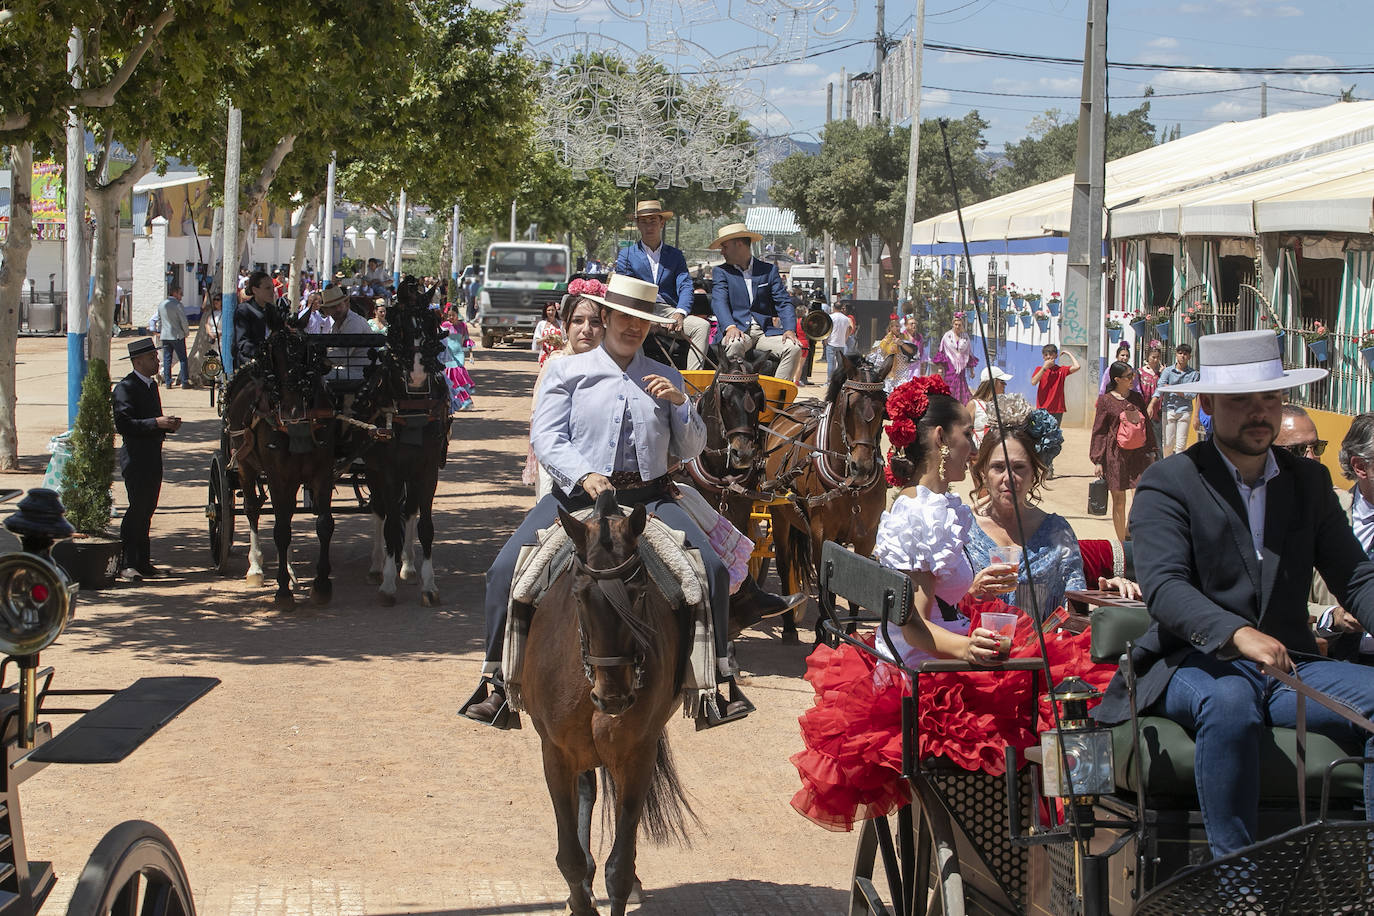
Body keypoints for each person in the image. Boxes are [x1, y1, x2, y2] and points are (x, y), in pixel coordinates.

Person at [465, 275, 794, 729]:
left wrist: (681, 405)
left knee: (713, 571)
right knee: (505, 571)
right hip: (579, 498)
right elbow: (547, 437)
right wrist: (583, 473)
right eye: (625, 318)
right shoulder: (567, 372)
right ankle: (496, 684)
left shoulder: (666, 377)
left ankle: (718, 683)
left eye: (642, 323)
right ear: (606, 318)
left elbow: (693, 448)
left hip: (650, 499)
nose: (633, 329)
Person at [1092, 329, 1374, 860]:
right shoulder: (1168, 482)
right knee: (1229, 702)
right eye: (1241, 400)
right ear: (1207, 405)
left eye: (1270, 397)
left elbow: (1356, 577)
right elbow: (1165, 588)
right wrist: (1237, 634)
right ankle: (1236, 885)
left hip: (1291, 667)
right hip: (1191, 663)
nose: (1259, 412)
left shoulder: (1308, 483)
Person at [789, 375, 1010, 830]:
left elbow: (924, 597)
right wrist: (971, 650)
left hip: (927, 648)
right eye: (968, 433)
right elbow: (914, 627)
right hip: (923, 666)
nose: (975, 444)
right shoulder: (923, 513)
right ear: (939, 438)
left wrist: (968, 590)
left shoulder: (935, 504)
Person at [966, 410, 1141, 620]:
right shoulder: (963, 529)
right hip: (974, 646)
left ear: (1035, 473)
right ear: (983, 472)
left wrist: (1108, 592)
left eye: (1019, 467)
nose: (1009, 478)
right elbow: (938, 611)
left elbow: (1074, 604)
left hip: (1042, 650)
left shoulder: (1056, 532)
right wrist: (971, 593)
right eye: (998, 467)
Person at [113, 339, 182, 580]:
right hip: (135, 457)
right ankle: (127, 562)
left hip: (153, 455)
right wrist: (156, 423)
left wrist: (167, 425)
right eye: (152, 358)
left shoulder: (151, 386)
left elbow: (152, 420)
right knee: (137, 509)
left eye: (156, 357)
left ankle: (143, 562)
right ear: (138, 361)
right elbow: (123, 424)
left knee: (147, 510)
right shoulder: (125, 387)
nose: (156, 362)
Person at [614, 201, 711, 370]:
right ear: (637, 224)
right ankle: (636, 379)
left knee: (702, 326)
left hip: (668, 313)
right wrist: (643, 318)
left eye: (653, 221)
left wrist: (680, 313)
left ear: (662, 223)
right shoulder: (627, 255)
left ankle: (693, 386)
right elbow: (626, 291)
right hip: (638, 312)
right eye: (644, 221)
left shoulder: (675, 255)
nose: (648, 226)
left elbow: (686, 285)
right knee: (632, 332)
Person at [709, 223, 803, 380]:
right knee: (735, 343)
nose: (722, 252)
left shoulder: (768, 270)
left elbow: (783, 302)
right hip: (737, 330)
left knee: (794, 348)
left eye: (724, 246)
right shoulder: (721, 272)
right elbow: (719, 302)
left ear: (739, 244)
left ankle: (776, 396)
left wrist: (789, 330)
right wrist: (730, 326)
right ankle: (730, 393)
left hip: (765, 333)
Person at [1090, 361, 1158, 542]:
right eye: (1128, 376)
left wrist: (1151, 450)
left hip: (1138, 455)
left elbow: (1147, 426)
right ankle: (1121, 544)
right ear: (1117, 379)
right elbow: (1099, 431)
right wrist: (1097, 460)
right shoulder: (1106, 401)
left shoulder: (1137, 398)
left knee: (1141, 496)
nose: (1132, 379)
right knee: (1119, 501)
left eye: (1133, 375)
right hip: (1115, 456)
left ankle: (1129, 529)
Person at [1148, 342, 1199, 457]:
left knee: (1181, 445)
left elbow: (1191, 395)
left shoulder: (1194, 374)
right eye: (1180, 353)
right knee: (1167, 444)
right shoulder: (1168, 371)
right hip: (1169, 410)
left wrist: (1172, 388)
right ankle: (1167, 470)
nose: (1182, 356)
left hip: (1185, 411)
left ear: (1189, 357)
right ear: (1176, 355)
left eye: (1185, 354)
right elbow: (1160, 387)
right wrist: (1151, 404)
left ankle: (1178, 471)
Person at [233, 269, 275, 372]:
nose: (272, 292)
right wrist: (261, 352)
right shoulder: (244, 310)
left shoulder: (272, 309)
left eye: (272, 288)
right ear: (255, 290)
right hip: (250, 365)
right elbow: (242, 343)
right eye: (267, 288)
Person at [934, 312, 976, 403]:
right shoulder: (947, 336)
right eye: (956, 324)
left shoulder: (965, 338)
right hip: (950, 366)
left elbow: (969, 354)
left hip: (961, 367)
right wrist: (940, 368)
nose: (957, 326)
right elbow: (942, 351)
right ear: (953, 324)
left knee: (961, 384)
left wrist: (972, 370)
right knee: (950, 385)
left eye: (959, 325)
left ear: (962, 325)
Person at [968, 366, 1013, 449]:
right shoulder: (974, 404)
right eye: (1002, 381)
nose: (1005, 385)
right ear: (993, 383)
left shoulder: (1003, 406)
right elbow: (965, 432)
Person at [440, 309, 475, 413]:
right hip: (448, 355)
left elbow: (467, 340)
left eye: (453, 315)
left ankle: (466, 402)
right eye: (449, 316)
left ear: (457, 315)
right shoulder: (445, 325)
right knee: (451, 379)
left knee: (459, 377)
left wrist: (471, 355)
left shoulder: (463, 326)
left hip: (459, 354)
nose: (450, 318)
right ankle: (458, 401)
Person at [157, 285, 190, 388]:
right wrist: (186, 332)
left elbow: (159, 320)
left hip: (165, 335)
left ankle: (167, 381)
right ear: (175, 293)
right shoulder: (178, 305)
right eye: (180, 294)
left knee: (167, 358)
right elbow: (183, 321)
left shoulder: (161, 304)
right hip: (177, 335)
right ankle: (184, 381)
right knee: (183, 359)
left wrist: (160, 331)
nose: (181, 296)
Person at [1137, 342, 1165, 454]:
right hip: (1142, 409)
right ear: (1147, 357)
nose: (1155, 360)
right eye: (1153, 357)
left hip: (1157, 411)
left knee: (1157, 438)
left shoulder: (1162, 373)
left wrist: (1163, 374)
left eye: (1158, 357)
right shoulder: (1139, 372)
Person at [825, 302, 854, 382]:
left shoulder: (830, 317)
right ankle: (840, 380)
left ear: (834, 308)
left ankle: (829, 381)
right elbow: (850, 328)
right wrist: (846, 338)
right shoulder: (846, 318)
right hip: (841, 343)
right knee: (841, 364)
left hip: (831, 342)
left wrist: (825, 339)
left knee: (831, 363)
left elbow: (826, 329)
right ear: (841, 308)